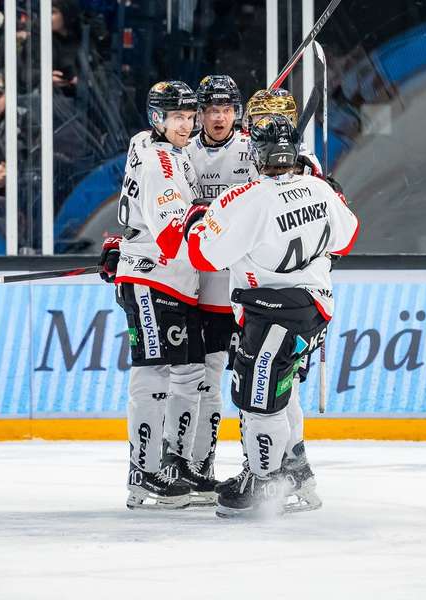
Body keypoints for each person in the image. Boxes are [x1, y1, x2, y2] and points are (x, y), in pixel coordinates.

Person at [183, 115, 359, 518]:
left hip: (271, 310)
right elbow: (347, 238)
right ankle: (295, 470)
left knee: (256, 396)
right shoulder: (318, 188)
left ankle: (265, 482)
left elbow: (203, 255)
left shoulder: (246, 199)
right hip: (313, 307)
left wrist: (199, 219)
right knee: (282, 390)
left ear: (257, 153)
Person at [97, 80, 212, 510]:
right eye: (176, 117)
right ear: (157, 120)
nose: (186, 125)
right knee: (154, 373)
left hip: (175, 279)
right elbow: (169, 238)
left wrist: (126, 240)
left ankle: (175, 464)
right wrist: (211, 216)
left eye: (189, 116)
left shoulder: (145, 142)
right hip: (154, 277)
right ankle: (142, 471)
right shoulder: (161, 165)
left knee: (188, 374)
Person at [184, 74, 253, 484]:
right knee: (207, 383)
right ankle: (200, 464)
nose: (218, 117)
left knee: (247, 383)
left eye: (226, 109)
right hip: (205, 289)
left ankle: (255, 466)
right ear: (199, 114)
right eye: (211, 109)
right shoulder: (185, 153)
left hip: (245, 288)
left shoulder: (252, 149)